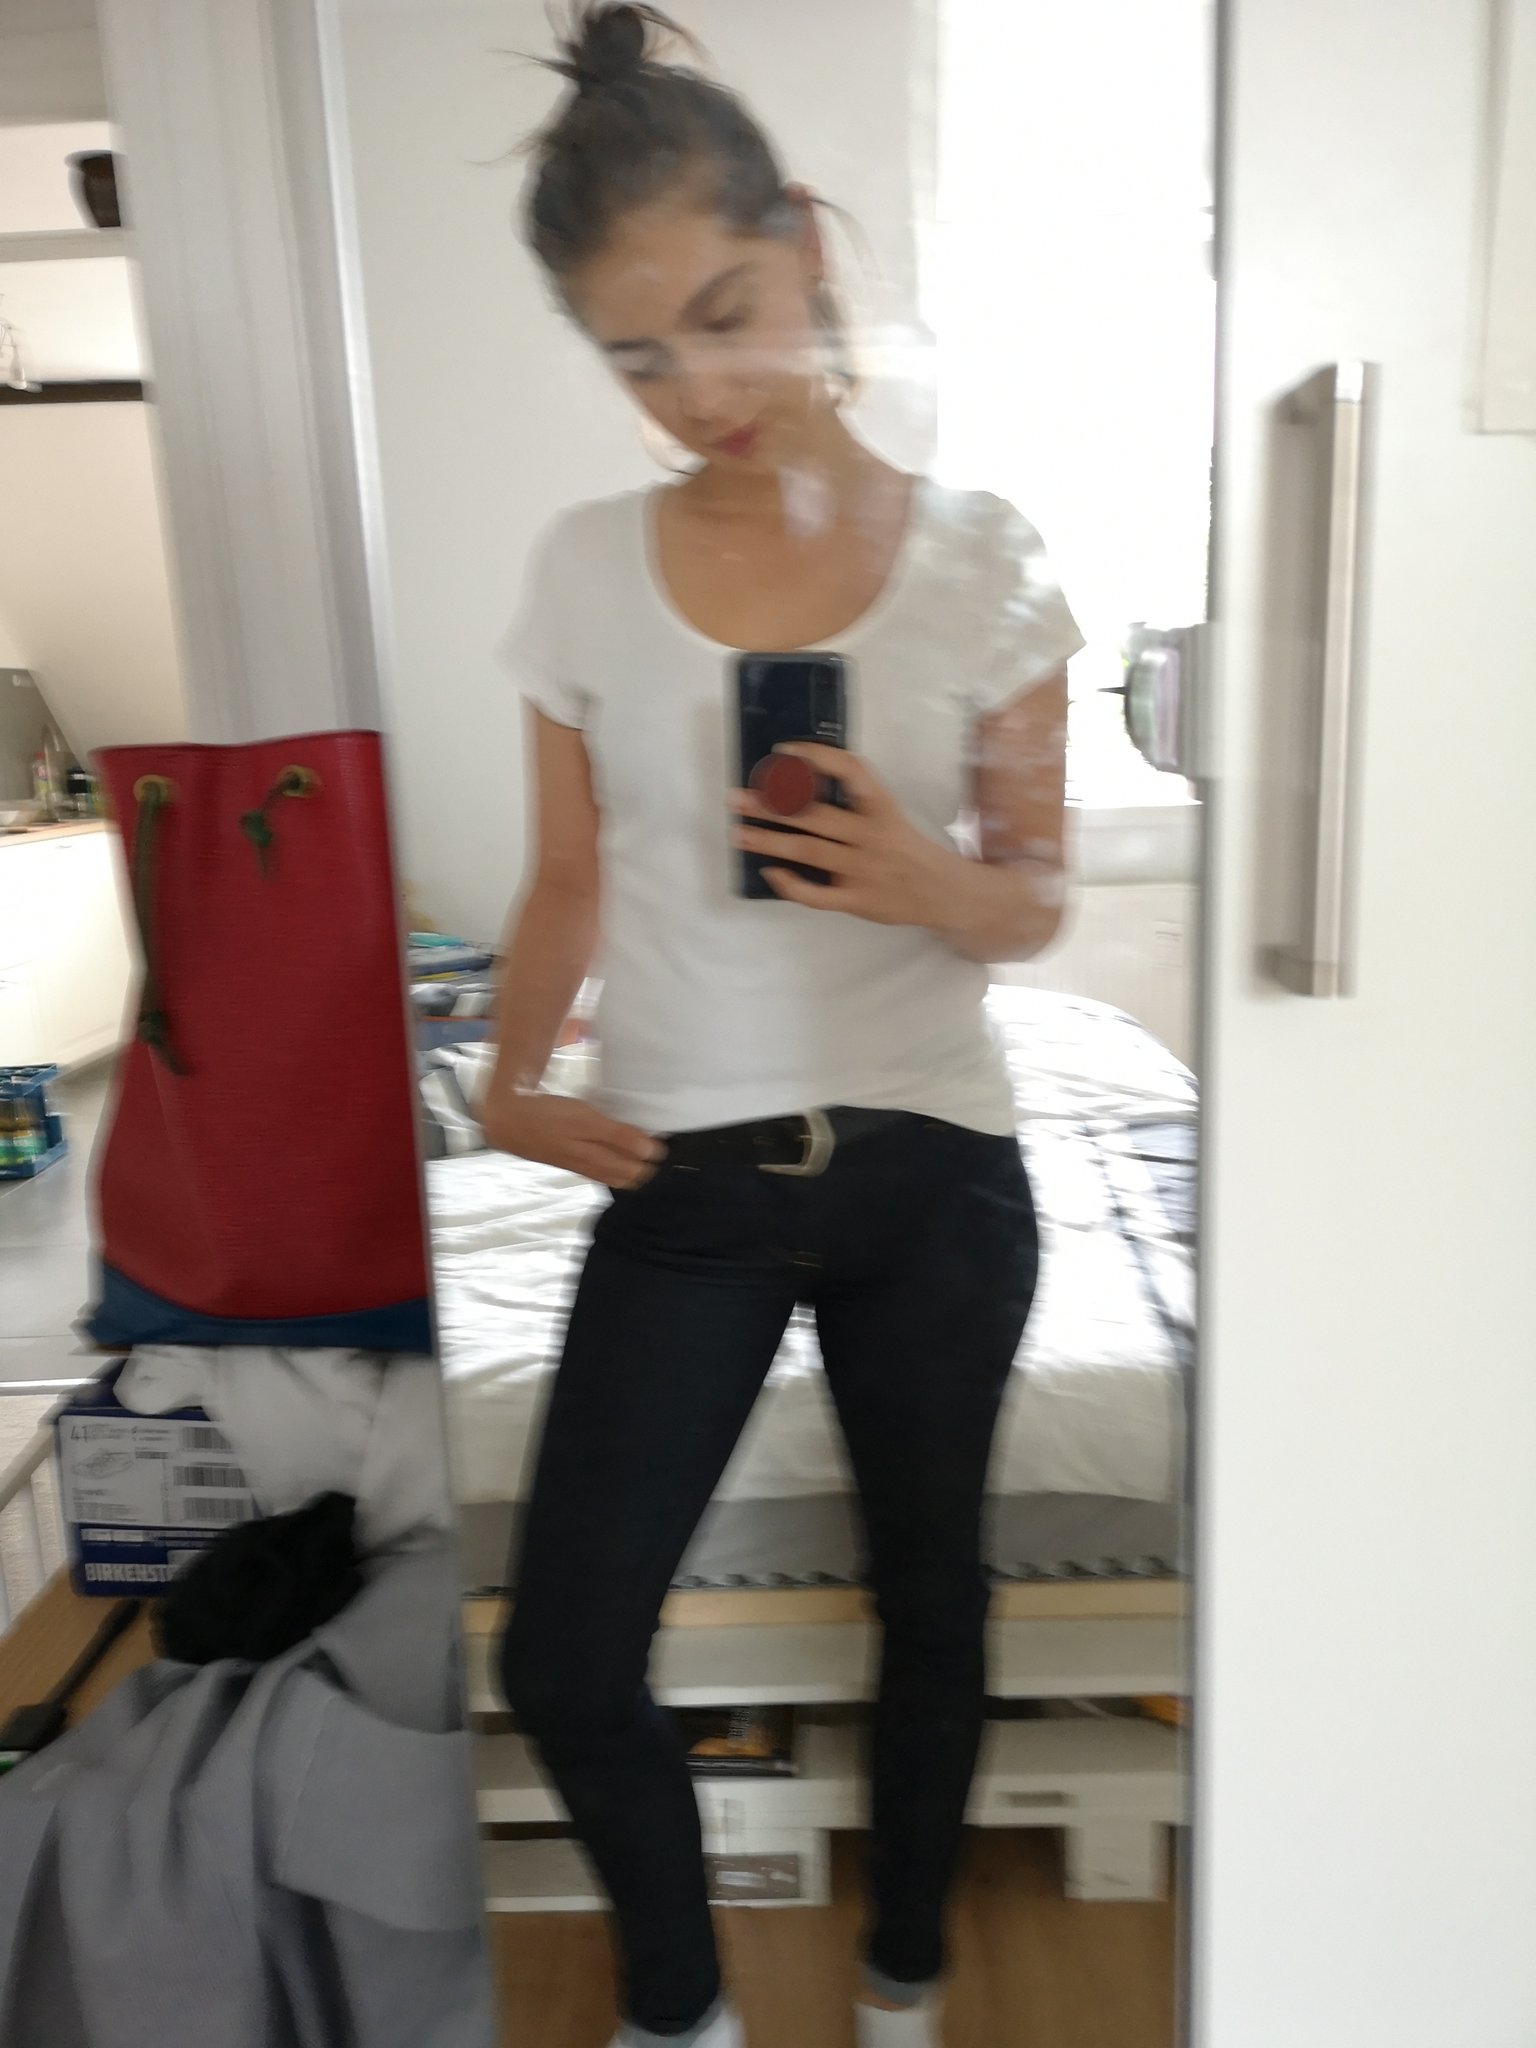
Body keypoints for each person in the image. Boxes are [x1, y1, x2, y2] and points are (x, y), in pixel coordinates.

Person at [484, 8, 1084, 2044]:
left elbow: (1035, 896)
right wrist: (508, 1081)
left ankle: (904, 1983)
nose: (699, 395)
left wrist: (930, 881)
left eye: (725, 318)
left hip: (936, 1169)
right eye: (638, 358)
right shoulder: (582, 569)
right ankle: (685, 2012)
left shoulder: (988, 557)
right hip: (687, 1175)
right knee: (567, 1656)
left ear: (808, 245)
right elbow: (565, 880)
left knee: (938, 1606)